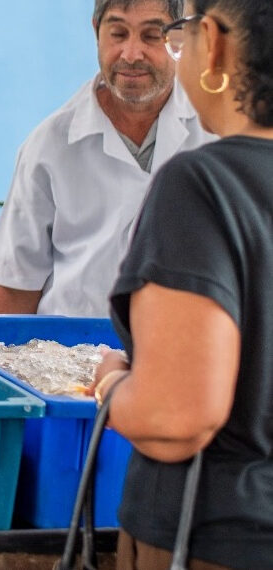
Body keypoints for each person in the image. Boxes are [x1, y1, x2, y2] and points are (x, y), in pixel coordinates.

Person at [88, 0, 273, 567]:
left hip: (223, 538)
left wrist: (112, 383)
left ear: (212, 41)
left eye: (179, 32)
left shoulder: (206, 184)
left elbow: (175, 418)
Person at [0, 0, 216, 317]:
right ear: (96, 32)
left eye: (151, 35)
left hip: (189, 341)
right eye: (118, 33)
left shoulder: (217, 132)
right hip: (72, 347)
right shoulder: (49, 145)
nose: (131, 54)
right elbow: (16, 287)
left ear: (180, 38)